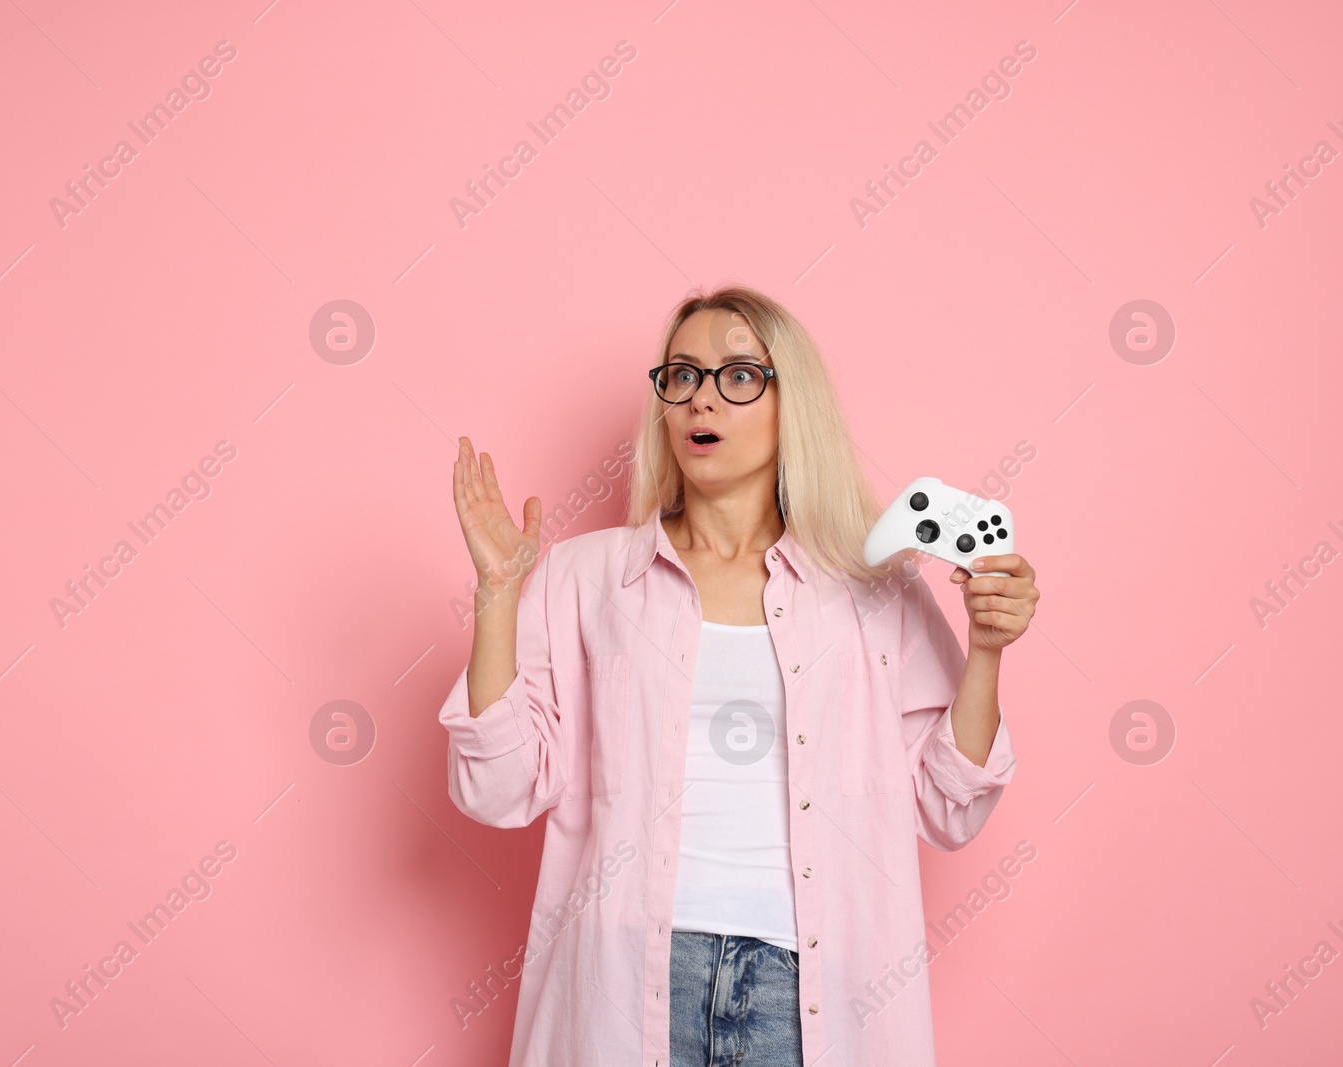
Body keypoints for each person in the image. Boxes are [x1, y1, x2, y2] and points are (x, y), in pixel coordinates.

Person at [438, 284, 1039, 1067]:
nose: (701, 399)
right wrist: (496, 595)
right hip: (627, 984)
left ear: (795, 402)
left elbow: (948, 805)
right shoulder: (584, 579)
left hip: (807, 990)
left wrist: (987, 647)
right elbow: (498, 788)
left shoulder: (873, 589)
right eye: (682, 374)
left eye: (738, 375)